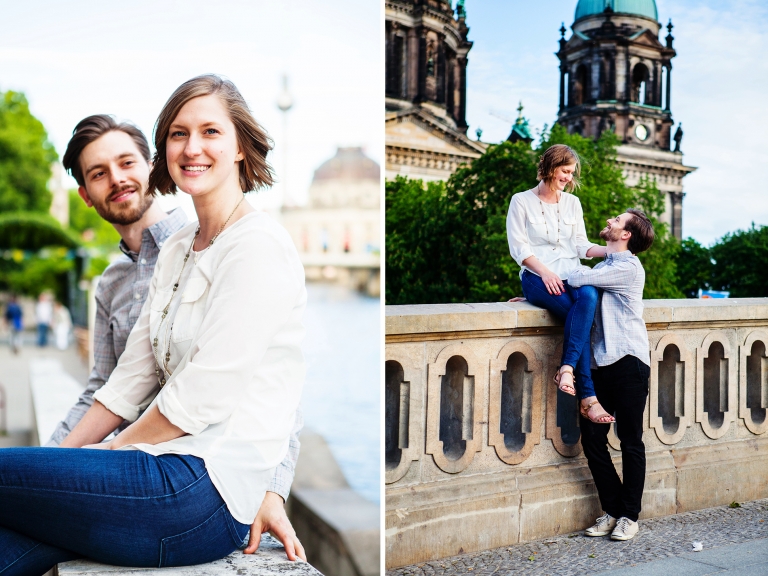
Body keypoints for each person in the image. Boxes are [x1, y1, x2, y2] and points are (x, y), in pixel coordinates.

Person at [0, 75, 306, 574]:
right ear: (165, 149)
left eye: (210, 132)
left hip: (202, 491)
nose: (192, 147)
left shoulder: (259, 247)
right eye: (179, 134)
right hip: (156, 477)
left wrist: (108, 456)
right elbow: (125, 381)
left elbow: (209, 397)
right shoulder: (179, 247)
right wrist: (63, 461)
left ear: (240, 149)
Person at [506, 144, 614, 423]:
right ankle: (589, 396)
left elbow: (580, 246)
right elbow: (518, 248)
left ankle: (567, 368)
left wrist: (614, 250)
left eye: (571, 173)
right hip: (536, 276)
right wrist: (545, 274)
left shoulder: (572, 203)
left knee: (588, 296)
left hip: (572, 273)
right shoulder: (521, 201)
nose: (568, 177)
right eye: (565, 171)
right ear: (551, 168)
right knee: (581, 317)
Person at [568, 208, 655, 542]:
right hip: (599, 365)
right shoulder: (606, 265)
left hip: (629, 362)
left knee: (630, 439)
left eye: (616, 221)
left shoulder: (628, 267)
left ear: (626, 235)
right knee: (592, 441)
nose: (609, 222)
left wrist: (549, 284)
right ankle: (613, 510)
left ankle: (629, 516)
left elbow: (577, 279)